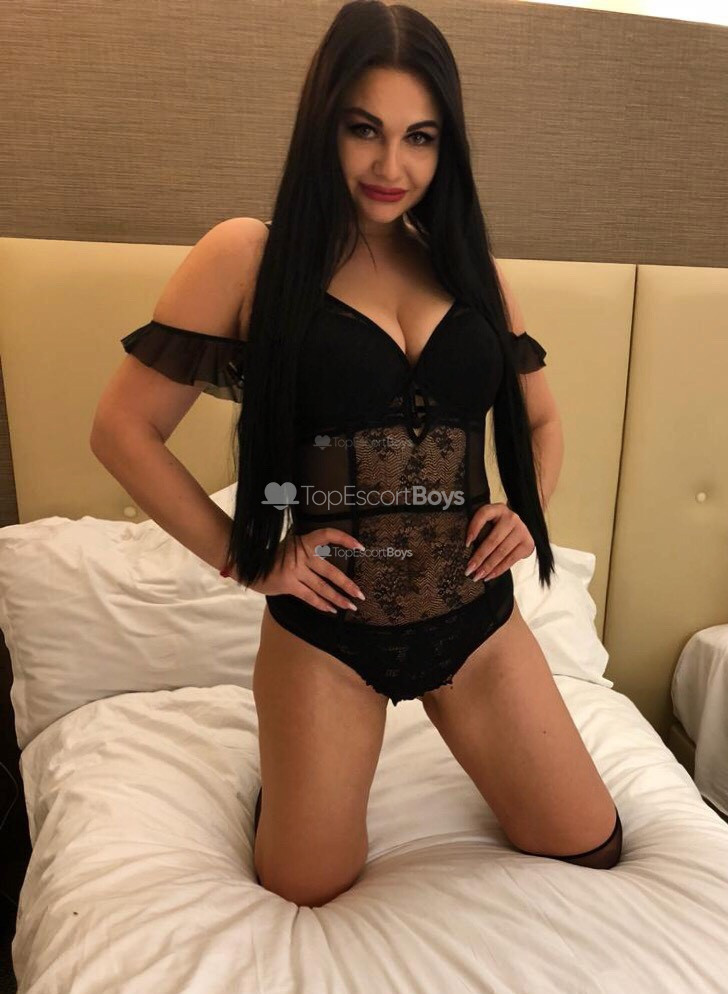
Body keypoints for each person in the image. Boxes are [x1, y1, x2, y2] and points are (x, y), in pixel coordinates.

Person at [93, 0, 622, 909]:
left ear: (446, 144)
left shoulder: (468, 267)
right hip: (328, 633)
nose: (391, 167)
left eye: (420, 137)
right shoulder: (248, 257)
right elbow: (121, 431)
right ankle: (284, 780)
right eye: (364, 129)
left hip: (474, 621)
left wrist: (524, 513)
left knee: (591, 846)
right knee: (306, 887)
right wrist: (248, 557)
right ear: (323, 123)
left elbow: (541, 420)